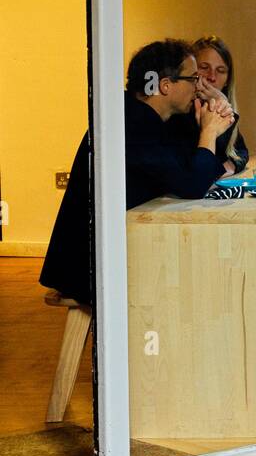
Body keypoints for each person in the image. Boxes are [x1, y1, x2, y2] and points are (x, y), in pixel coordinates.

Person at [40, 39, 233, 305]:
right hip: (90, 267)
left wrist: (212, 119)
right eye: (193, 78)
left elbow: (193, 166)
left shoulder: (144, 115)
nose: (199, 87)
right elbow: (192, 184)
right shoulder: (129, 124)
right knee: (202, 276)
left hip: (114, 249)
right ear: (166, 85)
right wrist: (209, 132)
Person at [165, 35, 249, 175]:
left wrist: (232, 165)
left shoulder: (219, 108)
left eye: (221, 71)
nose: (212, 77)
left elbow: (240, 151)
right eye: (204, 68)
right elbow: (203, 166)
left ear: (228, 79)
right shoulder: (179, 111)